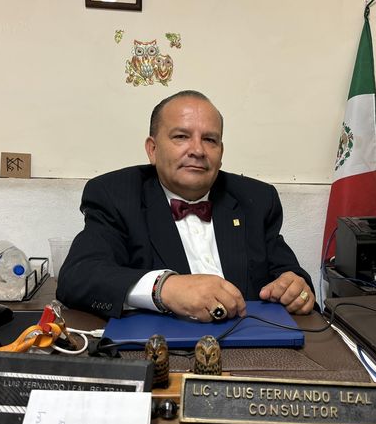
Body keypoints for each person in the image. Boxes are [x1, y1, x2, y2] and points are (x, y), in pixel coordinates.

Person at [56, 90, 316, 322]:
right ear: (153, 149)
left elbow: (290, 275)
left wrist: (295, 288)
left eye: (210, 140)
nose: (198, 150)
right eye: (181, 136)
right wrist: (165, 288)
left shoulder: (256, 199)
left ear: (221, 153)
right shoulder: (115, 195)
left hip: (251, 345)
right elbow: (79, 276)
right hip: (159, 348)